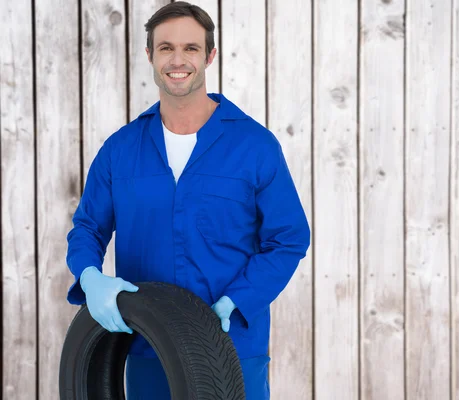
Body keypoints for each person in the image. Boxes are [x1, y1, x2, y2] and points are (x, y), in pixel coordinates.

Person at [64, 2, 310, 399]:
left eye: (191, 48)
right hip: (147, 346)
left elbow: (289, 239)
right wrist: (89, 276)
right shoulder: (121, 149)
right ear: (150, 55)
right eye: (165, 48)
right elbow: (88, 227)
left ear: (210, 55)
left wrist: (238, 299)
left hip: (231, 346)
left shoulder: (255, 146)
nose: (178, 60)